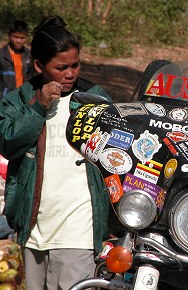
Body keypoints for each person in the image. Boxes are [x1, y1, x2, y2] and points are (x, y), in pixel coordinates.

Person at [0, 15, 112, 290]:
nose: (70, 73)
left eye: (75, 65)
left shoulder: (94, 99)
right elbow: (8, 144)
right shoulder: (18, 101)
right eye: (61, 68)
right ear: (39, 66)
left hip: (79, 229)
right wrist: (37, 108)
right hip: (33, 227)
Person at [0, 20, 34, 98]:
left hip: (24, 98)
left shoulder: (29, 55)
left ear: (26, 38)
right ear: (9, 36)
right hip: (6, 100)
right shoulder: (2, 55)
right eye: (16, 37)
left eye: (22, 38)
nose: (18, 41)